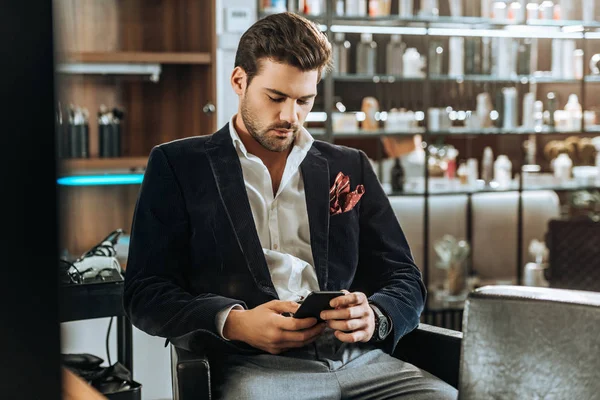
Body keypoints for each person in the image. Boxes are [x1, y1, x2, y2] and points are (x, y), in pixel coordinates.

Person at [123, 11, 457, 400]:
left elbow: (405, 277)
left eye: (304, 100)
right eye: (276, 97)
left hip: (363, 361)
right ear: (239, 81)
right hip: (255, 368)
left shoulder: (350, 166)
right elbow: (145, 291)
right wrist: (234, 322)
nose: (290, 116)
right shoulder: (178, 166)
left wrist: (376, 317)